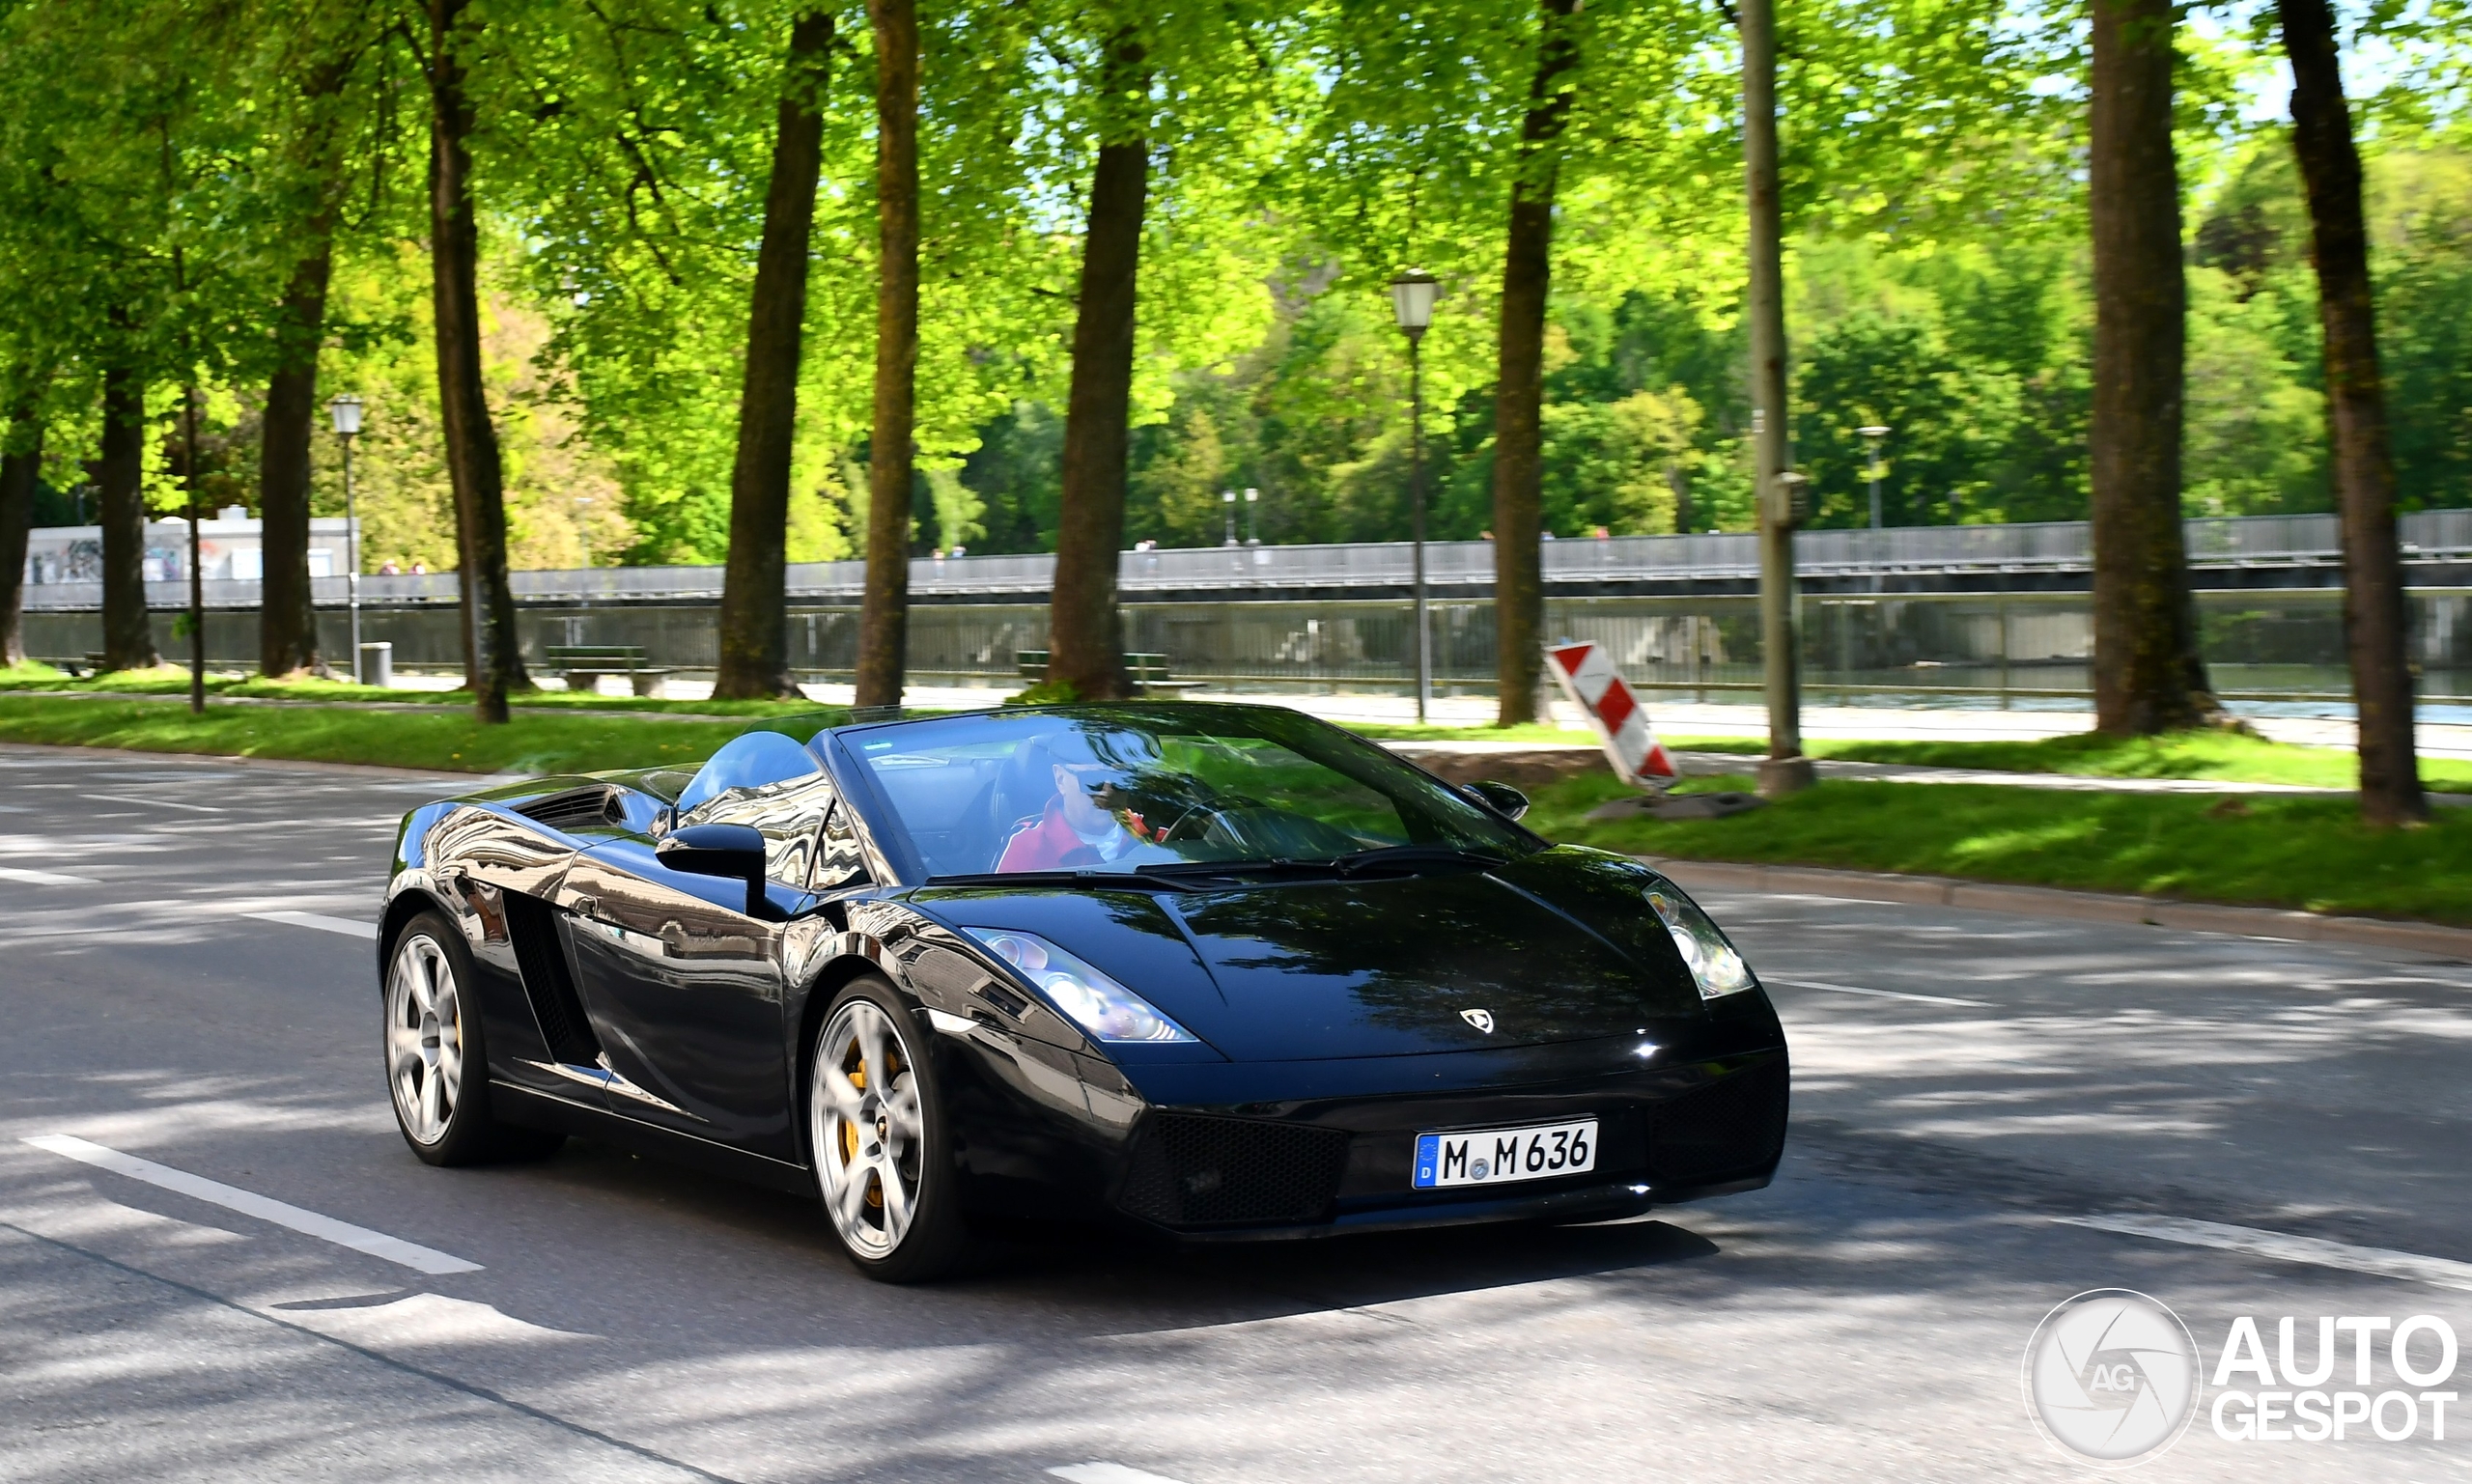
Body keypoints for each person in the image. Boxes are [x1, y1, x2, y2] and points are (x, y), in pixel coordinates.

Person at [996, 729, 1172, 872]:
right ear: (1061, 780)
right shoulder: (1026, 846)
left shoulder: (1156, 836)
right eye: (1093, 780)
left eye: (1120, 780)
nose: (1108, 791)